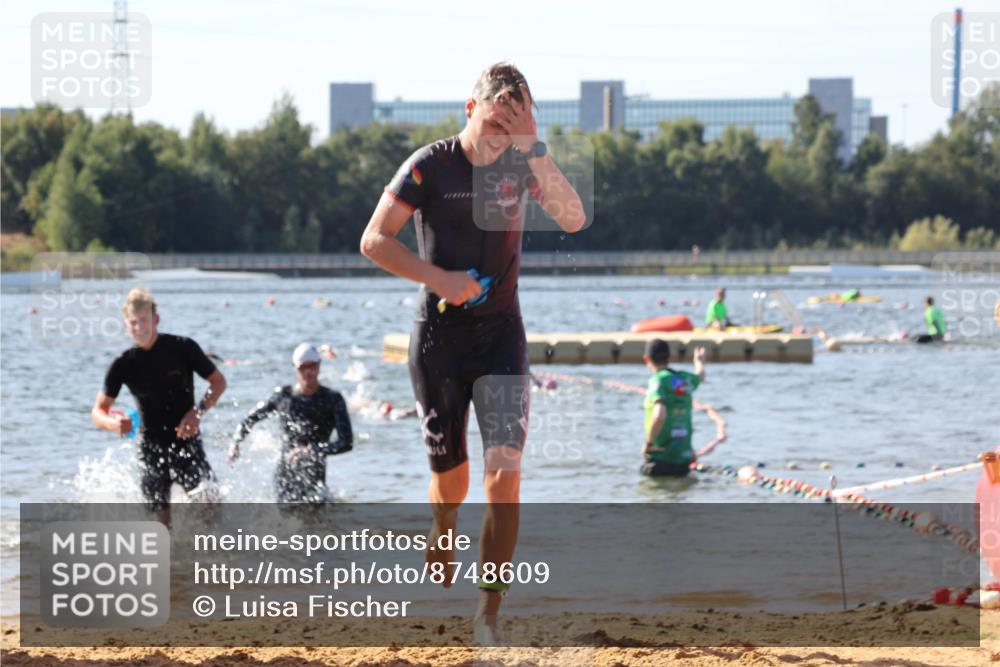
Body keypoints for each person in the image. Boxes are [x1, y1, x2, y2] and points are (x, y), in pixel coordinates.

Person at [360, 62, 586, 645]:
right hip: (438, 341)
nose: (497, 141)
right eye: (492, 125)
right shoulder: (429, 165)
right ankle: (441, 524)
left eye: (511, 130)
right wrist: (440, 279)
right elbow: (374, 240)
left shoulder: (522, 162)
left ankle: (487, 613)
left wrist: (534, 147)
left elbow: (573, 216)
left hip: (501, 337)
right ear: (469, 109)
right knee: (452, 483)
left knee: (504, 476)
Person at [91, 288, 227, 527]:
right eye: (133, 322)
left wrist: (197, 412)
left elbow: (218, 382)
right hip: (151, 448)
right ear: (126, 324)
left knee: (210, 506)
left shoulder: (183, 348)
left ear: (155, 319)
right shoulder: (123, 364)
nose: (139, 327)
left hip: (186, 442)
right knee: (160, 528)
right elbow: (98, 411)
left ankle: (208, 558)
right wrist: (115, 424)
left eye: (143, 320)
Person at [228, 343, 353, 504]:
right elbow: (250, 419)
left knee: (317, 524)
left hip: (315, 477)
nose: (308, 372)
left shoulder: (332, 399)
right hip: (285, 475)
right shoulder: (283, 396)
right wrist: (236, 441)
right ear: (295, 368)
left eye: (312, 366)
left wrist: (311, 450)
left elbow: (346, 443)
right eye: (303, 368)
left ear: (319, 366)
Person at [641, 339, 706, 477]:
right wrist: (699, 361)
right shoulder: (684, 379)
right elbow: (700, 377)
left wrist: (649, 443)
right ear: (669, 357)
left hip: (660, 458)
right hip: (683, 460)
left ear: (647, 359)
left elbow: (659, 415)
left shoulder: (657, 380)